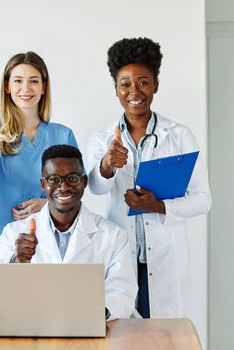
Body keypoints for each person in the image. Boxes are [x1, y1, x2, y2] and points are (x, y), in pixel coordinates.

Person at [85, 37, 212, 318]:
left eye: (143, 82)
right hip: (121, 251)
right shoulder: (103, 139)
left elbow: (203, 200)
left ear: (155, 85)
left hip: (167, 253)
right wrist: (107, 164)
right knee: (122, 333)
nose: (134, 91)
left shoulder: (179, 136)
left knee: (165, 337)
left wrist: (160, 206)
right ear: (116, 89)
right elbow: (94, 187)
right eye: (125, 84)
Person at [0, 145, 137, 320]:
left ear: (84, 182)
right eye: (54, 179)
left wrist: (91, 314)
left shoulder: (113, 236)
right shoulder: (14, 232)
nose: (64, 187)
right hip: (33, 330)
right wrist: (17, 261)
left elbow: (123, 291)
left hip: (91, 331)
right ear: (43, 184)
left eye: (72, 178)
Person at [0, 51, 78, 263]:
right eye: (18, 81)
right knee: (3, 293)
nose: (26, 89)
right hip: (3, 231)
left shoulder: (63, 134)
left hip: (53, 232)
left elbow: (76, 189)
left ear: (43, 87)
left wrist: (47, 204)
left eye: (33, 81)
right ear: (7, 87)